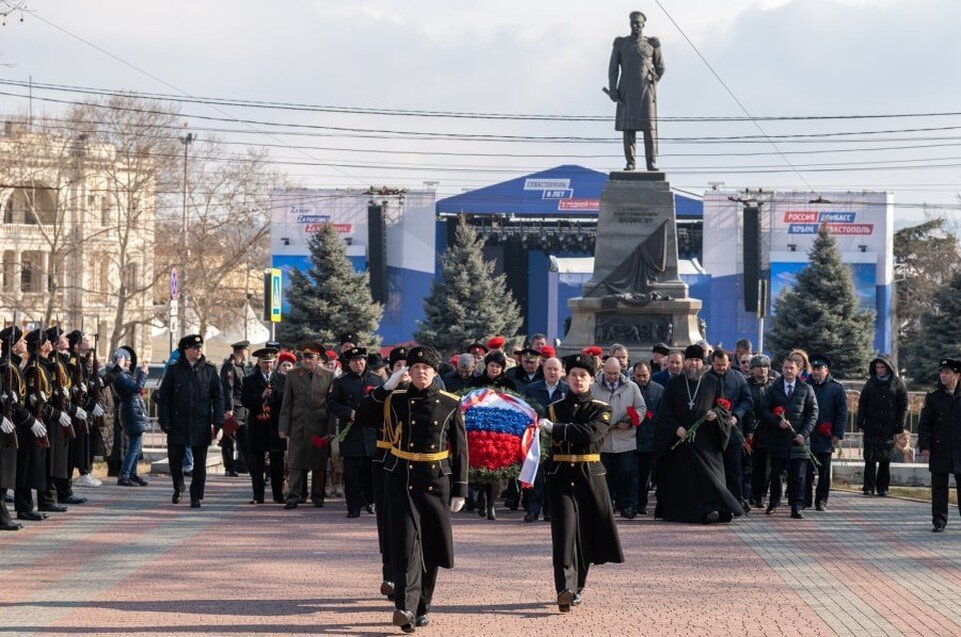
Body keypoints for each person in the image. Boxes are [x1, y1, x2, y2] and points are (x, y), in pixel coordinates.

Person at [366, 346, 468, 633]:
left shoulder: (450, 402)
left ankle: (422, 605)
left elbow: (460, 449)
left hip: (435, 481)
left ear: (435, 373)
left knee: (431, 546)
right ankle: (404, 607)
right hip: (401, 479)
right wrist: (385, 387)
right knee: (404, 544)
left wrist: (460, 489)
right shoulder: (395, 400)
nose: (420, 372)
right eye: (414, 369)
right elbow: (363, 416)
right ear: (407, 373)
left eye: (426, 369)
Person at [538, 353, 624, 612]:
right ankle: (564, 588)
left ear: (591, 379)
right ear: (566, 377)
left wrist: (556, 429)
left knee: (586, 534)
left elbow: (590, 434)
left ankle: (578, 586)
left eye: (583, 376)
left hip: (590, 476)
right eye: (573, 375)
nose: (577, 380)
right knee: (564, 534)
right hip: (561, 476)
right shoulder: (554, 409)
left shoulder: (602, 408)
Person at [653, 344, 743, 524]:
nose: (694, 364)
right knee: (684, 479)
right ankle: (687, 512)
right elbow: (665, 412)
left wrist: (715, 415)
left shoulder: (712, 382)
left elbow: (723, 408)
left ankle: (710, 509)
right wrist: (675, 428)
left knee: (710, 477)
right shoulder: (674, 383)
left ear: (702, 363)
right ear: (685, 362)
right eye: (691, 360)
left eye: (697, 360)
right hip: (681, 439)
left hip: (706, 440)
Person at [155, 334, 225, 509]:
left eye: (200, 348)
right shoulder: (174, 369)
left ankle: (196, 496)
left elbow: (218, 397)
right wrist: (164, 420)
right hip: (178, 422)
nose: (198, 351)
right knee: (175, 460)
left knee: (200, 463)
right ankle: (178, 488)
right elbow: (165, 397)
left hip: (200, 422)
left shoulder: (209, 370)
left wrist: (218, 422)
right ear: (185, 350)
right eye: (194, 348)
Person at [328, 346, 383, 518]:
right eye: (353, 361)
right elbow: (332, 404)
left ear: (365, 361)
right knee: (351, 474)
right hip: (350, 433)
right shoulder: (341, 382)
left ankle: (371, 501)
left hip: (371, 433)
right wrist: (348, 412)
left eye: (360, 359)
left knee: (371, 472)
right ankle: (353, 506)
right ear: (348, 363)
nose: (358, 363)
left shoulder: (376, 380)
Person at [761, 357, 818, 520]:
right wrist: (777, 422)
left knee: (798, 476)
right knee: (776, 473)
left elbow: (813, 413)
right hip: (778, 439)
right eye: (785, 368)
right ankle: (774, 502)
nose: (788, 371)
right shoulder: (774, 388)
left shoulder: (806, 389)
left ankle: (796, 506)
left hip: (799, 440)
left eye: (791, 368)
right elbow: (765, 410)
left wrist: (803, 434)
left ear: (798, 370)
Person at [279, 342, 334, 510]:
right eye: (304, 357)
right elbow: (286, 403)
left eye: (311, 357)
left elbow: (331, 406)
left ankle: (318, 496)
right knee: (295, 463)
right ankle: (294, 497)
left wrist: (331, 430)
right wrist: (283, 427)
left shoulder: (328, 375)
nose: (307, 360)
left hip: (319, 426)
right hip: (298, 425)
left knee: (319, 464)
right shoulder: (293, 375)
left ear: (318, 359)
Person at [607, 10, 664, 171]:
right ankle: (630, 162)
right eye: (632, 23)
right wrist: (613, 89)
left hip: (646, 90)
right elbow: (613, 69)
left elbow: (661, 67)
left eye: (638, 23)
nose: (635, 26)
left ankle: (651, 163)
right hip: (626, 90)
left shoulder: (652, 44)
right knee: (628, 128)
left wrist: (655, 78)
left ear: (643, 25)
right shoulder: (621, 44)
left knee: (649, 128)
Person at [593, 357, 645, 518]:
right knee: (605, 477)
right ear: (604, 370)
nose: (612, 377)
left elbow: (641, 408)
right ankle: (607, 505)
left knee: (627, 474)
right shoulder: (594, 388)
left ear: (620, 371)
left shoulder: (632, 387)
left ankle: (628, 505)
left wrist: (631, 421)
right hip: (603, 441)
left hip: (625, 439)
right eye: (609, 373)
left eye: (615, 373)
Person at [467, 349, 515, 520]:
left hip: (501, 432)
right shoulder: (477, 381)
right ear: (486, 366)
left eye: (498, 366)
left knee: (496, 471)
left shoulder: (509, 384)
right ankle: (482, 499)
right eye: (492, 365)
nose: (494, 369)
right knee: (481, 469)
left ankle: (491, 505)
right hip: (479, 430)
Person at [522, 357, 569, 523]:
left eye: (556, 369)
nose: (552, 372)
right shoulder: (531, 389)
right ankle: (533, 510)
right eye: (549, 369)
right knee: (536, 475)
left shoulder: (567, 390)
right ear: (543, 370)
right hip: (536, 439)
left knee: (554, 476)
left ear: (562, 371)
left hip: (558, 439)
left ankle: (550, 510)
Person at [706, 349, 753, 513]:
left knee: (734, 468)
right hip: (712, 431)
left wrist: (737, 416)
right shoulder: (705, 378)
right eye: (718, 365)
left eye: (724, 365)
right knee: (714, 469)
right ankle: (716, 503)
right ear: (712, 362)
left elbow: (747, 400)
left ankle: (737, 502)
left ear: (730, 363)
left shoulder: (738, 377)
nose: (721, 368)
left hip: (733, 430)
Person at [917, 358, 961, 532]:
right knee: (939, 487)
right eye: (942, 372)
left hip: (959, 449)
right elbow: (924, 425)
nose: (943, 376)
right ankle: (939, 521)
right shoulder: (934, 397)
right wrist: (925, 446)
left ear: (957, 375)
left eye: (947, 372)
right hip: (940, 448)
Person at [857, 354, 907, 497]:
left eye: (882, 367)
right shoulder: (870, 383)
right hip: (872, 424)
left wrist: (900, 425)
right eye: (877, 367)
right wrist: (860, 421)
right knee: (870, 457)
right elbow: (862, 403)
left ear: (889, 368)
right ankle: (868, 486)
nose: (880, 370)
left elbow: (903, 405)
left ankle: (883, 487)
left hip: (888, 425)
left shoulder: (897, 383)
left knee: (885, 458)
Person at [241, 347, 286, 504]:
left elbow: (286, 403)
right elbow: (245, 401)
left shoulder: (282, 379)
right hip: (257, 426)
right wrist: (260, 396)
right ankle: (258, 495)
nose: (268, 365)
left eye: (270, 362)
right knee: (257, 464)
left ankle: (278, 495)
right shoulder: (249, 380)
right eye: (264, 362)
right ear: (258, 363)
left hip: (275, 426)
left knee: (277, 463)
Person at [805, 354, 847, 511]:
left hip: (825, 435)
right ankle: (806, 499)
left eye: (819, 369)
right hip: (808, 434)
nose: (815, 372)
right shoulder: (805, 385)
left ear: (826, 370)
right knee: (806, 470)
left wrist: (837, 434)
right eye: (813, 369)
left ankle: (821, 500)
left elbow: (842, 413)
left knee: (824, 471)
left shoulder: (836, 388)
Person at [1, 325, 31, 530]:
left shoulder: (13, 366)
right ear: (12, 346)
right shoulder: (6, 366)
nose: (25, 343)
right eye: (21, 341)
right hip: (4, 424)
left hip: (11, 423)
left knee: (6, 472)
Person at [108, 347, 150, 487]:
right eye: (127, 360)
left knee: (136, 446)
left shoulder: (125, 374)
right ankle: (124, 475)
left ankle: (132, 474)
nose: (130, 362)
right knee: (133, 446)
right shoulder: (120, 375)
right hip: (130, 411)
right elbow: (135, 388)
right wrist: (143, 374)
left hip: (133, 410)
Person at [745, 355, 775, 508]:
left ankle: (761, 495)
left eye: (765, 366)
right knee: (751, 466)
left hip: (769, 431)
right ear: (752, 369)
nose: (762, 369)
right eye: (759, 366)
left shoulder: (773, 385)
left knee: (766, 467)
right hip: (750, 430)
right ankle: (749, 494)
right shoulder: (746, 384)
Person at [632, 361, 662, 515]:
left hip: (650, 440)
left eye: (645, 375)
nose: (642, 378)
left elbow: (662, 415)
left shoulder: (659, 390)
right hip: (630, 439)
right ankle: (630, 503)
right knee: (630, 474)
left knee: (645, 476)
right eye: (638, 375)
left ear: (650, 374)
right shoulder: (629, 388)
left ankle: (641, 504)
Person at [219, 340, 251, 477]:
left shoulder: (240, 365)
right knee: (228, 438)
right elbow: (228, 389)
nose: (247, 353)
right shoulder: (230, 366)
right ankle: (229, 467)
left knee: (245, 438)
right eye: (246, 350)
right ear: (241, 351)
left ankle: (250, 466)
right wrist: (229, 408)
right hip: (233, 407)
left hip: (242, 407)